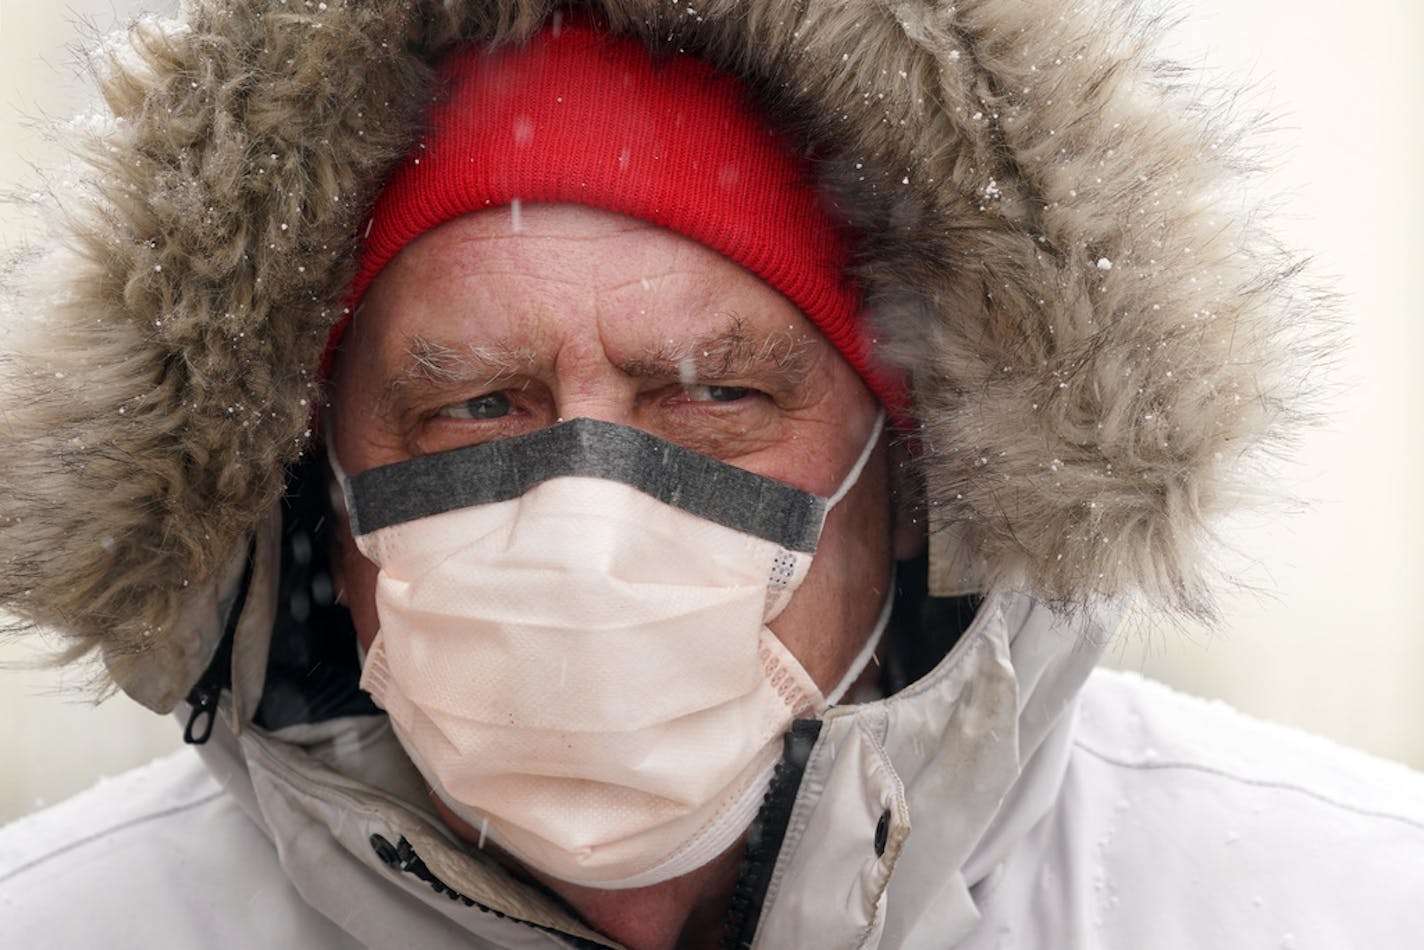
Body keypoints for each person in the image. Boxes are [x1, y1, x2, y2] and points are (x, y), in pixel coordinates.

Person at [1, 2, 1421, 948]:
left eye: (713, 395)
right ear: (319, 482)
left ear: (911, 471)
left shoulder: (1326, 901)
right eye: (476, 404)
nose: (584, 524)